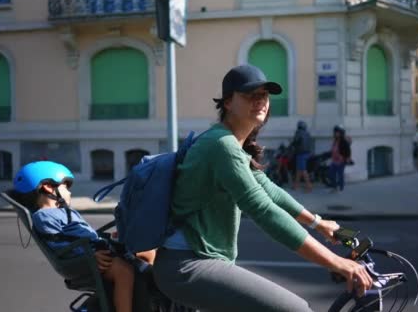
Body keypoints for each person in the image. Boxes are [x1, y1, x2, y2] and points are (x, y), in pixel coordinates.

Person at [152, 64, 372, 312]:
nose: (260, 101)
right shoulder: (221, 146)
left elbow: (269, 189)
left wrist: (318, 223)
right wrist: (335, 262)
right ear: (227, 102)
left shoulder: (232, 144)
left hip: (203, 259)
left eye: (264, 95)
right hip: (187, 264)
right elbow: (262, 209)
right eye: (250, 95)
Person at [10, 161, 155, 312]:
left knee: (149, 253)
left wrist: (108, 238)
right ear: (47, 187)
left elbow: (82, 234)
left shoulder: (62, 211)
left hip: (97, 250)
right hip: (88, 260)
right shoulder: (44, 216)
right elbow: (61, 245)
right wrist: (90, 255)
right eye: (65, 186)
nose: (69, 192)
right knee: (124, 272)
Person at [328, 125, 352, 193]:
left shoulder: (344, 141)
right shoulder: (335, 140)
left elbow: (348, 150)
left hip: (341, 160)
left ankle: (340, 187)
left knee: (340, 174)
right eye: (335, 132)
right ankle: (335, 187)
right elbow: (333, 149)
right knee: (331, 173)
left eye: (338, 132)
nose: (336, 133)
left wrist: (346, 158)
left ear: (341, 133)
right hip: (334, 160)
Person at [292, 120, 313, 192]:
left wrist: (291, 146)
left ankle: (309, 186)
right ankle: (296, 185)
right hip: (307, 154)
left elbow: (295, 141)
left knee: (303, 170)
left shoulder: (298, 133)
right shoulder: (307, 133)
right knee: (299, 170)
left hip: (301, 154)